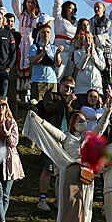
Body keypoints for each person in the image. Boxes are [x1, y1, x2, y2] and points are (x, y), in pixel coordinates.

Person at [27, 88, 112, 222]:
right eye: (80, 121)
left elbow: (102, 125)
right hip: (69, 178)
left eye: (84, 121)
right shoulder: (66, 137)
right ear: (73, 123)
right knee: (67, 215)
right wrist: (39, 119)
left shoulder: (90, 138)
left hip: (86, 180)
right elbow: (51, 130)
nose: (83, 123)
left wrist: (109, 106)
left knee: (83, 215)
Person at [37, 76, 78, 211]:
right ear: (60, 85)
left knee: (62, 171)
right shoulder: (51, 96)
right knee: (47, 168)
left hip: (65, 139)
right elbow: (48, 108)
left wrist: (69, 104)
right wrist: (64, 102)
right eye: (66, 87)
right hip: (50, 138)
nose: (69, 90)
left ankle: (58, 200)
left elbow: (73, 118)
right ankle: (42, 199)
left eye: (71, 88)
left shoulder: (71, 101)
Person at [12, 0, 43, 102]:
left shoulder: (38, 17)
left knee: (29, 66)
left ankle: (29, 93)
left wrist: (35, 15)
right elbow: (15, 4)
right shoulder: (21, 15)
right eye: (28, 2)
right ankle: (20, 93)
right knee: (20, 65)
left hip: (31, 42)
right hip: (22, 42)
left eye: (32, 2)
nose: (29, 4)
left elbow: (42, 23)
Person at [29, 21, 62, 101]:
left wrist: (57, 54)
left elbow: (58, 64)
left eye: (48, 32)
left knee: (52, 105)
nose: (46, 34)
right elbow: (33, 61)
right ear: (39, 34)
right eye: (43, 32)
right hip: (38, 81)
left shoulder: (54, 48)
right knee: (37, 105)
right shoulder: (34, 47)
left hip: (52, 81)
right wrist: (43, 53)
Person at [53, 0, 77, 80]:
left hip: (71, 52)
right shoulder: (59, 19)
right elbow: (57, 4)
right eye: (69, 8)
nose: (71, 11)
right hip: (60, 51)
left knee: (68, 78)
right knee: (58, 75)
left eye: (73, 9)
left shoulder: (76, 23)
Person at [74, 31, 106, 106]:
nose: (87, 40)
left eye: (89, 38)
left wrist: (93, 56)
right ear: (81, 40)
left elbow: (102, 67)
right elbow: (80, 67)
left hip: (96, 86)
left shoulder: (99, 51)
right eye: (85, 38)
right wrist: (86, 55)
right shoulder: (77, 52)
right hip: (82, 88)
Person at [90, 1, 112, 93]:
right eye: (95, 7)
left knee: (107, 69)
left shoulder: (108, 21)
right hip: (95, 47)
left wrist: (97, 37)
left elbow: (107, 34)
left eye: (98, 7)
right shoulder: (91, 21)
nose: (96, 9)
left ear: (103, 9)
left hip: (105, 47)